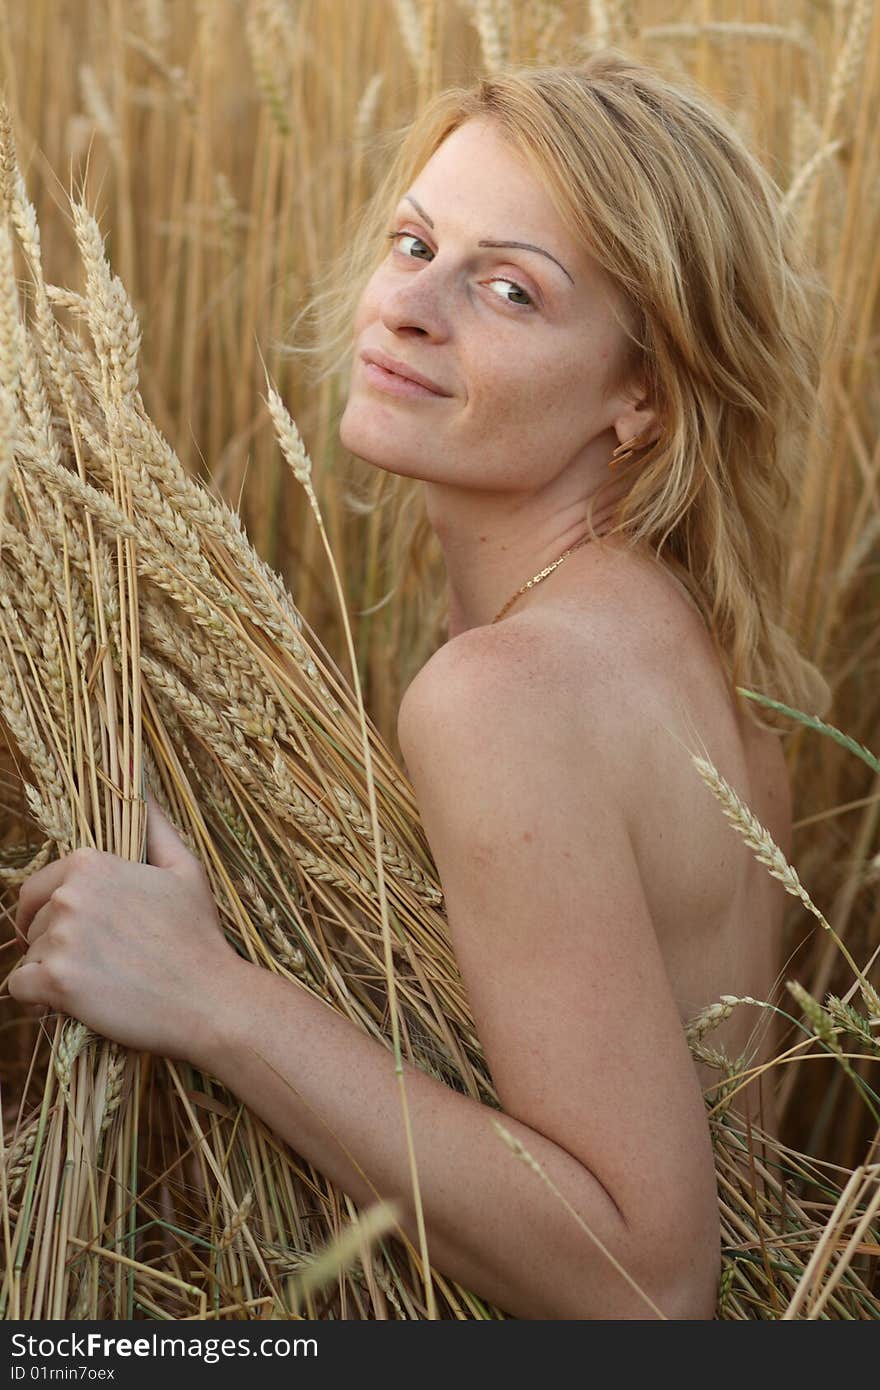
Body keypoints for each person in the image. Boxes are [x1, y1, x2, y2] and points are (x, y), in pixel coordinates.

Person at [8, 50, 832, 1320]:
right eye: (413, 243)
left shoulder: (506, 691)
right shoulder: (676, 631)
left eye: (509, 289)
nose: (408, 305)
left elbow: (652, 1282)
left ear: (644, 395)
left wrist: (208, 995)